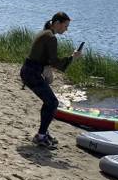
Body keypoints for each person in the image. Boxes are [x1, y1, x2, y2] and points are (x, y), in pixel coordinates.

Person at [20, 12, 82, 149]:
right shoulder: (51, 37)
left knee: (49, 101)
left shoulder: (46, 33)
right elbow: (54, 61)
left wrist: (46, 69)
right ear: (57, 23)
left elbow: (45, 59)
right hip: (31, 73)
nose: (66, 29)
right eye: (65, 26)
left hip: (30, 71)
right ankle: (41, 136)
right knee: (52, 102)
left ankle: (43, 132)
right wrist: (73, 57)